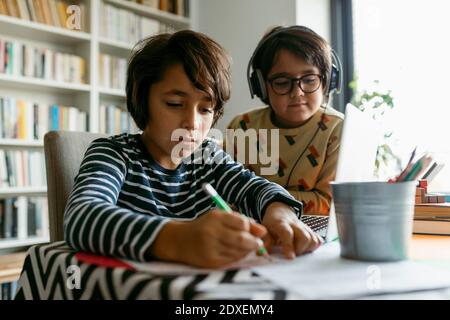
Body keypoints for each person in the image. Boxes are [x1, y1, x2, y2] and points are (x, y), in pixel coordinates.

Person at [63, 30, 322, 269]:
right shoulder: (113, 154)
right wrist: (178, 239)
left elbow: (253, 187)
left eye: (206, 109)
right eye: (175, 104)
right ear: (143, 100)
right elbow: (81, 217)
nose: (193, 123)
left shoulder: (206, 156)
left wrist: (279, 211)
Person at [227, 25, 344, 215]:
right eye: (282, 82)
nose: (297, 93)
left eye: (309, 79)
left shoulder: (338, 130)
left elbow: (327, 203)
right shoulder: (242, 126)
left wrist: (259, 199)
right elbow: (227, 193)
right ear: (261, 86)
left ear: (327, 81)